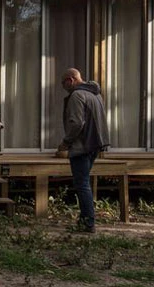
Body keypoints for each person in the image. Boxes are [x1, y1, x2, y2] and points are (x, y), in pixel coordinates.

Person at [59, 67, 110, 233]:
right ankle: (84, 220)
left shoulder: (77, 95)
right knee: (84, 182)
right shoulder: (95, 94)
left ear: (71, 80)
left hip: (81, 146)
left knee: (82, 184)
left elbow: (76, 123)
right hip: (95, 144)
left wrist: (66, 142)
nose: (63, 87)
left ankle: (88, 222)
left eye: (64, 83)